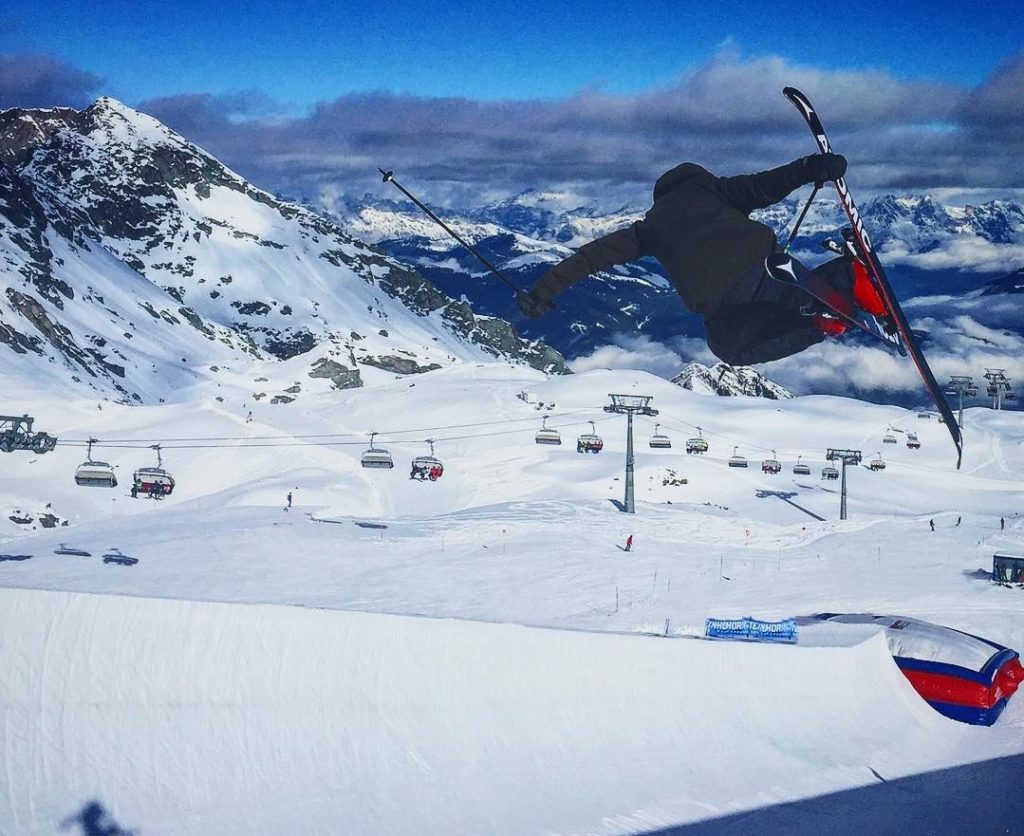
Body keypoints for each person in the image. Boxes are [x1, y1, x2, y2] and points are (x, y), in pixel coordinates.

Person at [516, 153, 887, 365]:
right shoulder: (715, 191)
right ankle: (853, 278)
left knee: (732, 348)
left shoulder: (651, 226)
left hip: (726, 302)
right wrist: (810, 167)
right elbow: (766, 185)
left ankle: (821, 323)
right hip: (769, 268)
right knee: (795, 298)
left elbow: (590, 257)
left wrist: (542, 291)